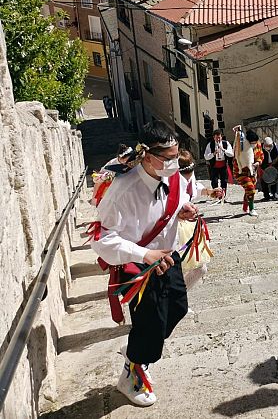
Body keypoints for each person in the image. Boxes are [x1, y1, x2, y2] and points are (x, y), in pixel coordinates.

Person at [91, 120, 198, 407]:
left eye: (177, 155)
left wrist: (184, 211)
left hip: (167, 255)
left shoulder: (174, 178)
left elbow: (180, 201)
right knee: (150, 321)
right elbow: (101, 239)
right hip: (137, 265)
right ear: (148, 156)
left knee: (178, 307)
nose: (175, 163)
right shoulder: (122, 189)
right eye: (169, 158)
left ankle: (139, 353)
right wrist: (143, 255)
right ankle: (132, 372)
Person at [177, 150, 219, 302]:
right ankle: (178, 301)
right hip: (175, 229)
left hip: (189, 226)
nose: (188, 175)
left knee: (200, 268)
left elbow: (194, 189)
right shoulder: (170, 182)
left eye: (191, 170)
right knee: (181, 269)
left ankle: (179, 298)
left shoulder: (189, 176)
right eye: (185, 172)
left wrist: (210, 192)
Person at [232, 125, 264, 216]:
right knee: (250, 189)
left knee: (250, 189)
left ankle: (245, 207)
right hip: (240, 171)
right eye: (252, 143)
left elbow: (261, 155)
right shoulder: (242, 145)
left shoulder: (257, 144)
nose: (254, 144)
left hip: (253, 171)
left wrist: (257, 163)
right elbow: (237, 137)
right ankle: (252, 209)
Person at [203, 129, 234, 203]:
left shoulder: (226, 143)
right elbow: (206, 157)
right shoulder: (210, 145)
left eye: (219, 137)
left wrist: (223, 150)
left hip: (223, 165)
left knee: (224, 181)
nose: (218, 139)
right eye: (216, 137)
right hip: (214, 166)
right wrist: (213, 154)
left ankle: (223, 196)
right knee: (214, 181)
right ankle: (217, 196)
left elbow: (231, 154)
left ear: (221, 137)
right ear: (214, 137)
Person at [260, 136, 278, 201]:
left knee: (273, 180)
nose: (268, 147)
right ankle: (266, 196)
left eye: (270, 145)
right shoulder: (260, 147)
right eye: (267, 145)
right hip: (264, 165)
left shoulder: (275, 146)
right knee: (263, 181)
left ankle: (274, 194)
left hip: (273, 165)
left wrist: (275, 160)